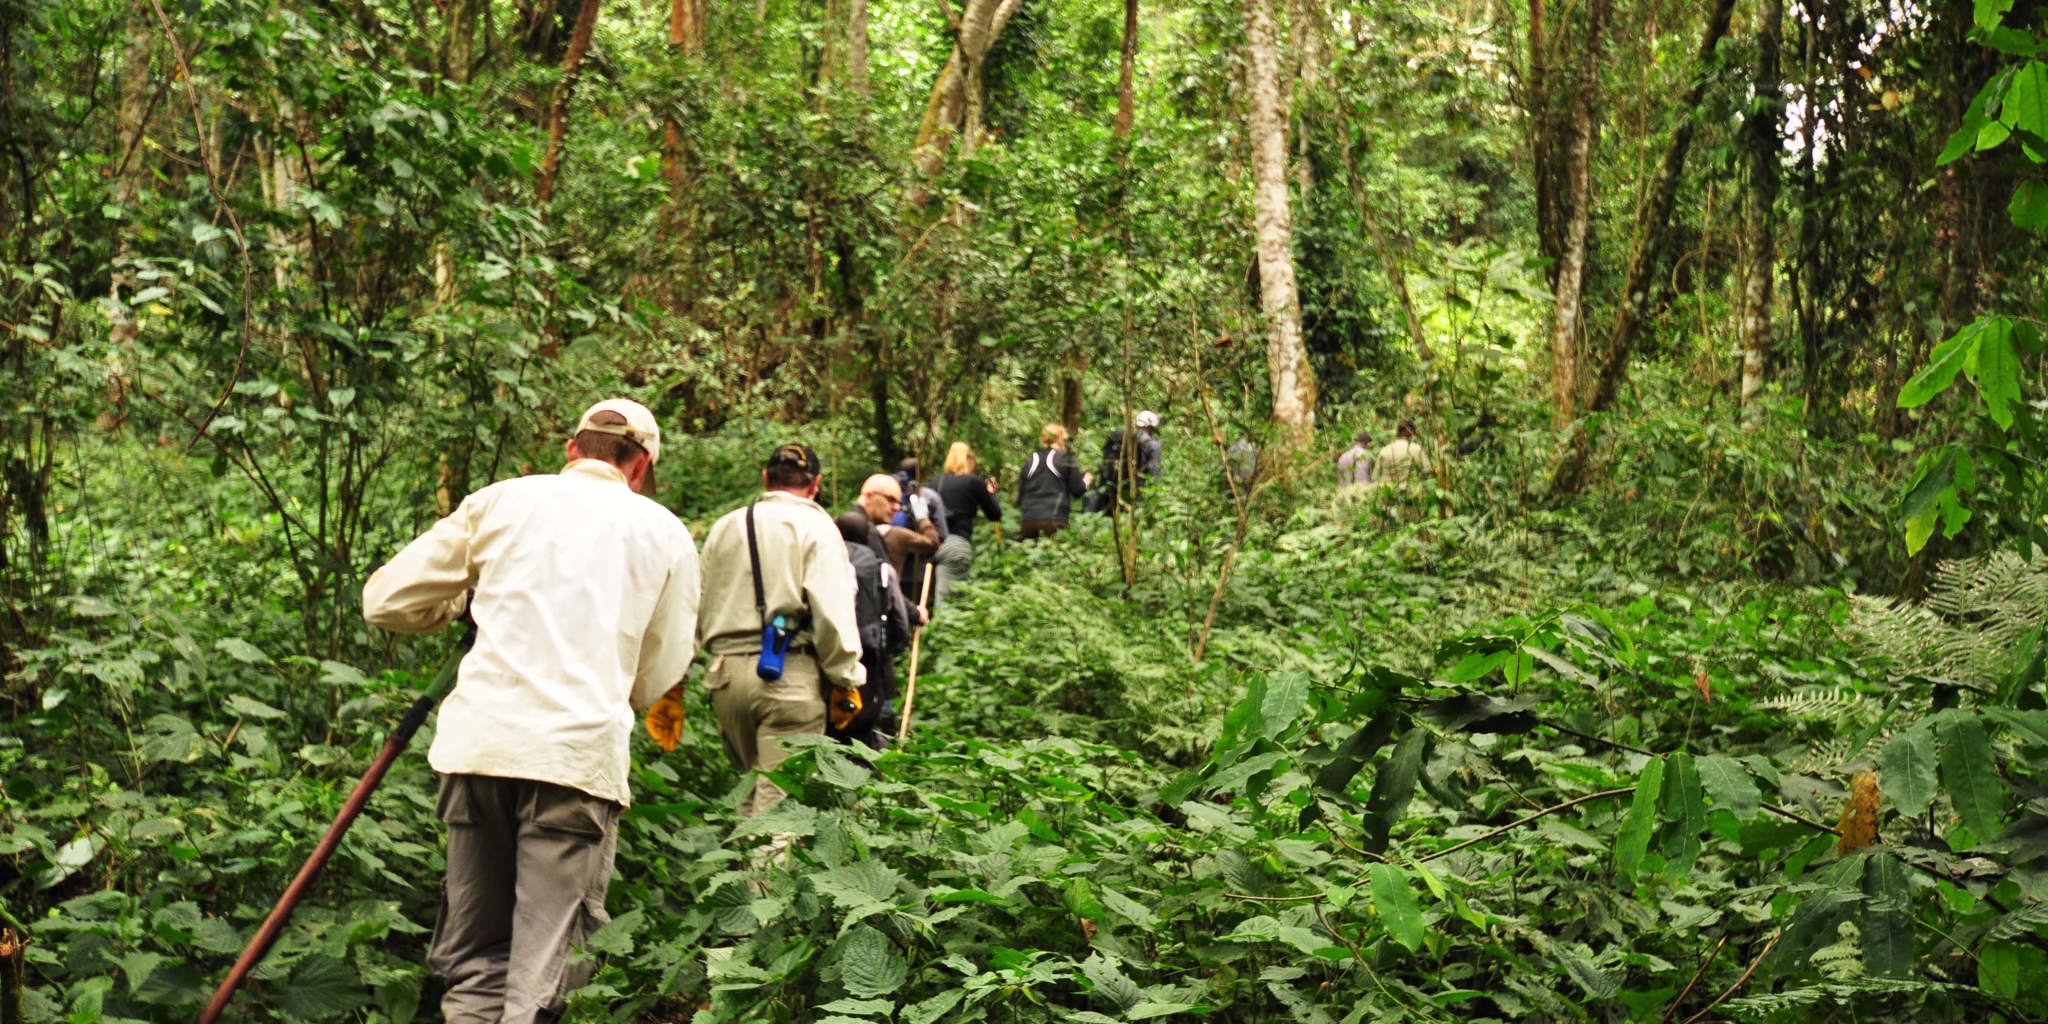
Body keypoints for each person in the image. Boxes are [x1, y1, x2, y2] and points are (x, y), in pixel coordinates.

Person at [361, 398, 700, 1024]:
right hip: (574, 761)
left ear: (572, 448)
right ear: (642, 464)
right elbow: (660, 670)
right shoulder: (664, 532)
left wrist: (461, 599)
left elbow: (385, 600)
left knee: (476, 961)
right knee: (540, 980)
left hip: (480, 751)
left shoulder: (502, 501)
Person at [696, 442, 865, 819]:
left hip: (725, 677)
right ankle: (767, 879)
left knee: (749, 798)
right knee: (779, 811)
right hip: (788, 677)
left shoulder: (726, 526)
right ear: (816, 483)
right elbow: (832, 614)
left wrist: (676, 677)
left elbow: (697, 601)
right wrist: (846, 678)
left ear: (765, 479)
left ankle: (743, 877)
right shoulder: (818, 527)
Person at [832, 512, 910, 748]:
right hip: (869, 650)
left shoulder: (824, 559)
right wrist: (897, 643)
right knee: (866, 714)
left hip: (831, 648)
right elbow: (899, 615)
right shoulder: (881, 569)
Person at [930, 441, 1003, 605]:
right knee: (948, 603)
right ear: (969, 459)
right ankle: (942, 629)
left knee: (933, 596)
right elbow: (995, 514)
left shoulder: (936, 482)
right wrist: (990, 493)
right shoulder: (972, 482)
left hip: (932, 544)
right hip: (956, 545)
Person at [861, 472, 941, 598]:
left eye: (897, 502)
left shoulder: (847, 525)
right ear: (869, 497)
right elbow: (932, 542)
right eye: (890, 500)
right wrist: (922, 518)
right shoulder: (896, 535)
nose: (896, 508)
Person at [1017, 423, 1088, 539]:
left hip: (1028, 520)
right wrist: (1086, 480)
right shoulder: (1066, 458)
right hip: (1054, 519)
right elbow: (1077, 490)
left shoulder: (1030, 460)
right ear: (1060, 437)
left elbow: (1020, 497)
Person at [1092, 410, 1164, 512]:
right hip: (1138, 490)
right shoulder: (1153, 445)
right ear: (1151, 427)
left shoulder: (1124, 439)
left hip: (1116, 488)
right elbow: (1154, 470)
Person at [1374, 419, 1431, 487]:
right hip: (1412, 490)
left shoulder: (1384, 450)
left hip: (1387, 491)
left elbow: (1375, 476)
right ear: (1411, 432)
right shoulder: (1417, 449)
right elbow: (1427, 470)